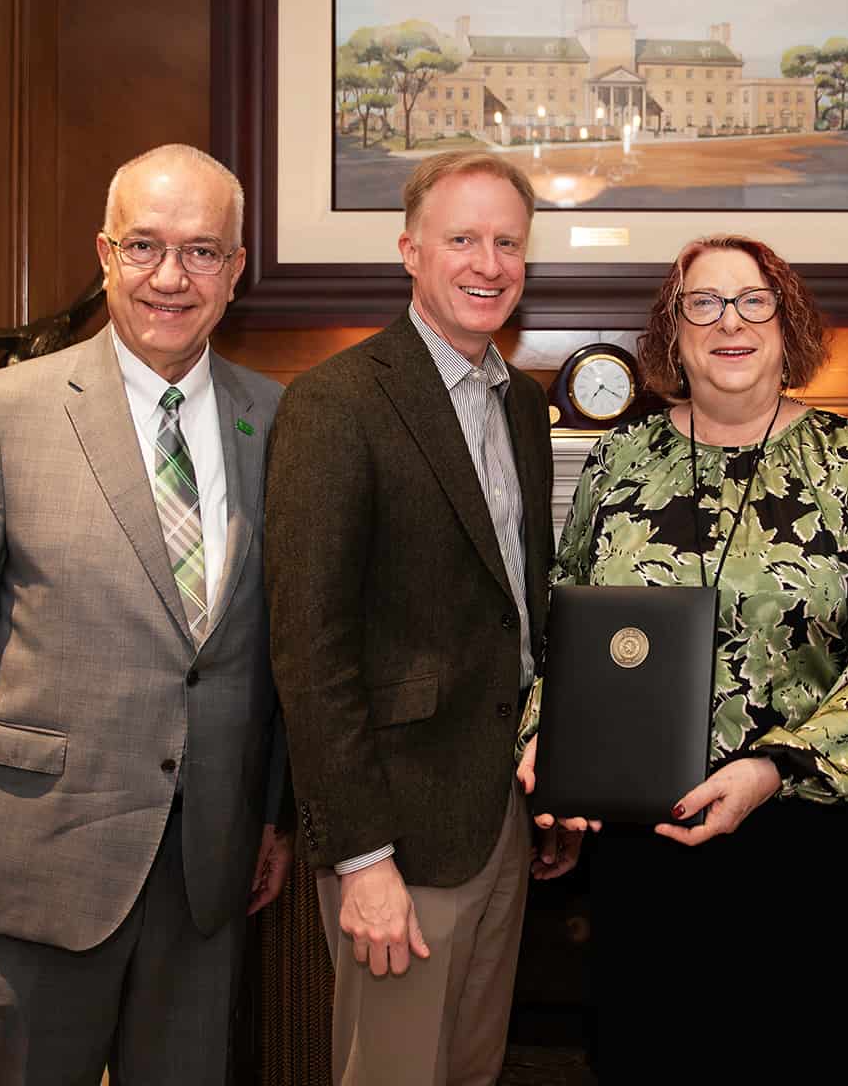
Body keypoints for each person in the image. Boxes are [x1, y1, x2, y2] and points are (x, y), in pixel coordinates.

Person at [0, 143, 293, 1084]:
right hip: (38, 858)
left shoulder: (275, 418)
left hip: (208, 867)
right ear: (105, 254)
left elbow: (277, 647)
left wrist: (272, 816)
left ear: (234, 272)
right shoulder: (4, 411)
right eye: (145, 245)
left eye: (201, 251)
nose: (169, 276)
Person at [516, 234, 848, 1081]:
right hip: (643, 843)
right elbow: (563, 624)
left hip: (799, 840)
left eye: (754, 300)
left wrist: (774, 769)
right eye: (701, 304)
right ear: (672, 334)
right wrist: (549, 743)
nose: (729, 322)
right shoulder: (619, 458)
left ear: (790, 325)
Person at [265, 151, 571, 1086]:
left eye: (508, 243)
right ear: (409, 251)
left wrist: (551, 773)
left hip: (500, 821)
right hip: (393, 834)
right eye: (463, 240)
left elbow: (518, 612)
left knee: (472, 1071)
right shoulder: (336, 402)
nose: (489, 264)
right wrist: (361, 860)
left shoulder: (519, 399)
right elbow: (309, 655)